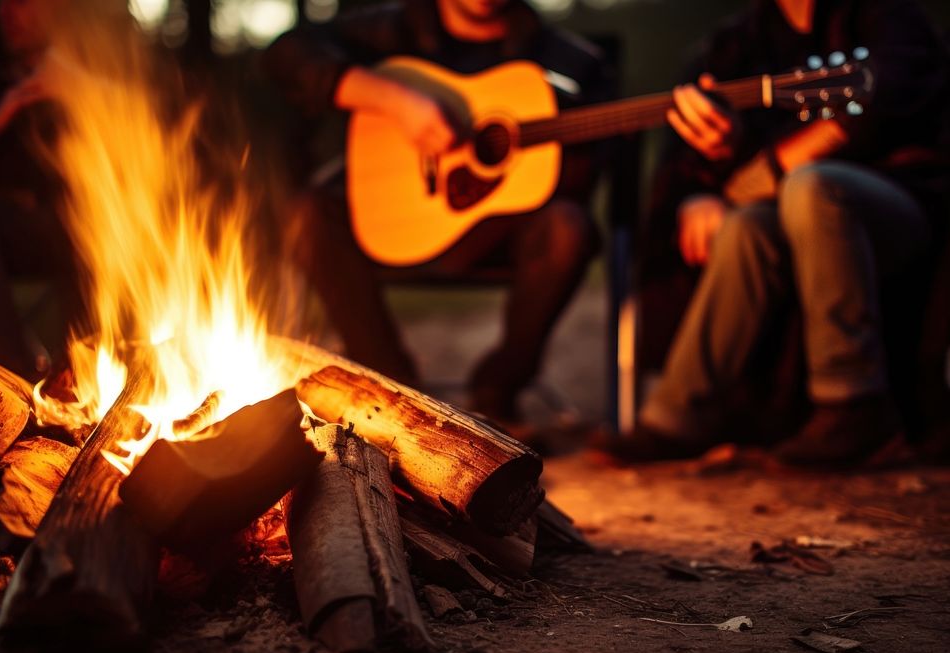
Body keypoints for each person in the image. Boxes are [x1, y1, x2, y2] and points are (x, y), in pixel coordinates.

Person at [601, 0, 949, 466]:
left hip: (904, 206)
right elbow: (711, 172)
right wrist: (706, 178)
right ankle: (680, 415)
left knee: (813, 184)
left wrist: (772, 167)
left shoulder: (887, 17)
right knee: (748, 228)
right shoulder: (735, 44)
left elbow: (890, 97)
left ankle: (853, 403)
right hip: (789, 217)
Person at [262, 0, 613, 429]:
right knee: (309, 214)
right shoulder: (386, 31)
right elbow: (286, 54)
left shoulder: (572, 61)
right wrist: (394, 100)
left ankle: (498, 391)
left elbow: (594, 173)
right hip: (394, 219)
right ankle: (391, 389)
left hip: (502, 235)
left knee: (568, 228)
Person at [0, 0, 77, 379]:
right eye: (5, 2)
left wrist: (82, 91)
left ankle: (100, 375)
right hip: (4, 224)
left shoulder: (93, 53)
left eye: (25, 3)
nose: (9, 11)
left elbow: (159, 130)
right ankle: (9, 384)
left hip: (88, 221)